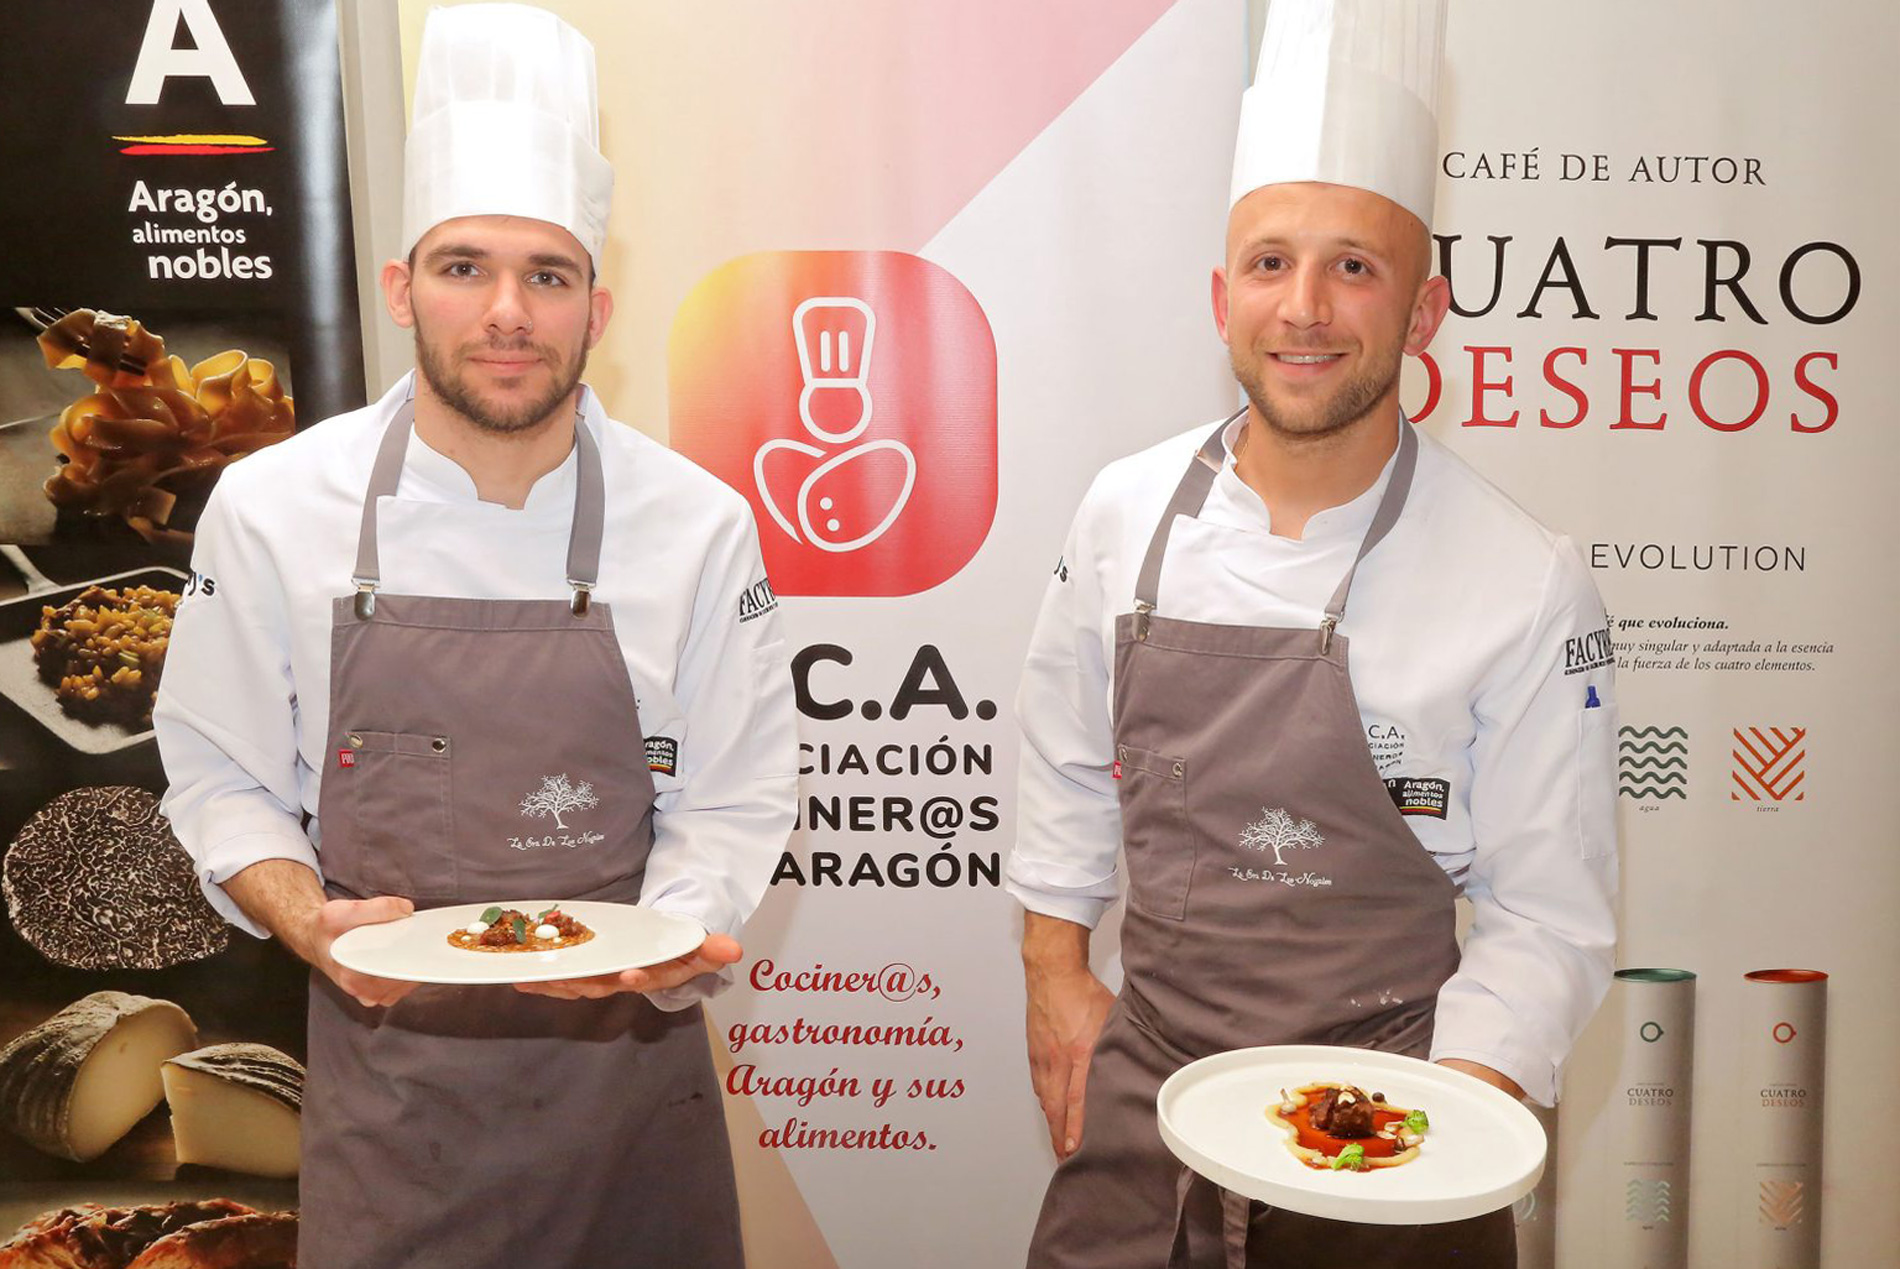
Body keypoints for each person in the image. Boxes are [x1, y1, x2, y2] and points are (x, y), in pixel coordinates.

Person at [153, 7, 794, 1266]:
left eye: (546, 275)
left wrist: (658, 946)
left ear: (597, 309)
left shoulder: (698, 525)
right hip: (395, 1110)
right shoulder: (276, 506)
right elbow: (221, 776)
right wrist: (305, 919)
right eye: (464, 268)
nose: (507, 313)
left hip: (631, 1104)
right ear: (400, 288)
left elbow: (735, 794)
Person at [1006, 2, 1616, 1265]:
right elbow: (1063, 761)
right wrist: (1056, 974)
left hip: (1394, 1115)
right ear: (1221, 295)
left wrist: (1455, 1112)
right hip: (1144, 1099)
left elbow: (1546, 912)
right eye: (1271, 263)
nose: (1306, 307)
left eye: (1354, 265)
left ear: (1426, 309)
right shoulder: (1125, 513)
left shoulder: (1521, 579)